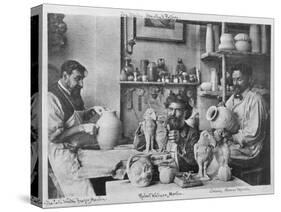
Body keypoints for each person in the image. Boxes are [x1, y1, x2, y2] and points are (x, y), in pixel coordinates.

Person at [48, 60, 104, 197]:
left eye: (82, 79)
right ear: (65, 76)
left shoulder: (72, 92)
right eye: (77, 79)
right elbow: (54, 137)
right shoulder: (51, 97)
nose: (81, 84)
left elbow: (72, 118)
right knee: (84, 196)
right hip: (61, 154)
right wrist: (82, 128)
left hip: (74, 148)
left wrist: (90, 111)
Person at [225, 63, 269, 168]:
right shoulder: (233, 98)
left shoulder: (256, 100)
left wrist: (232, 137)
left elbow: (252, 135)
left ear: (249, 79)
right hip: (235, 145)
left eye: (239, 79)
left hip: (250, 150)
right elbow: (225, 118)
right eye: (234, 80)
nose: (235, 83)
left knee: (223, 153)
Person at [165, 92, 199, 172]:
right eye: (171, 109)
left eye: (178, 110)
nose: (173, 113)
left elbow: (194, 162)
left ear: (185, 112)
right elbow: (140, 147)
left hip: (183, 177)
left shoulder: (193, 133)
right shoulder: (162, 130)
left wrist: (181, 142)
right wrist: (142, 131)